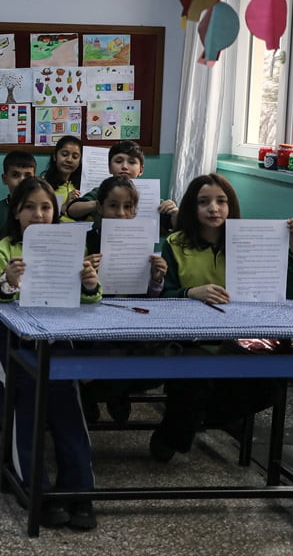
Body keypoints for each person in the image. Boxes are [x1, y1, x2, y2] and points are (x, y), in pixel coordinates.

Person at [150, 173, 293, 463]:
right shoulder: (175, 244)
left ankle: (198, 418)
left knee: (270, 387)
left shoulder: (249, 242)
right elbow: (161, 298)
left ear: (231, 206)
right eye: (204, 202)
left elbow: (283, 295)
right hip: (189, 340)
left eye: (221, 201)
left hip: (239, 339)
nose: (214, 208)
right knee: (194, 382)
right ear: (191, 208)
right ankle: (175, 432)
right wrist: (189, 292)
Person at [0, 175, 101, 530]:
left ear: (56, 211)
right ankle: (36, 491)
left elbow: (89, 297)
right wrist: (7, 283)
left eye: (46, 207)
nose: (38, 214)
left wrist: (91, 285)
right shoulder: (4, 249)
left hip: (58, 338)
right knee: (24, 412)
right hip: (11, 340)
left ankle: (79, 493)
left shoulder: (69, 246)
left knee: (69, 413)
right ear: (16, 212)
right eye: (29, 207)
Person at [79, 175, 167, 424]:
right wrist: (85, 275)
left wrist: (156, 278)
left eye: (128, 207)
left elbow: (150, 298)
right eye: (113, 206)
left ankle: (110, 391)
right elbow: (70, 293)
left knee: (151, 356)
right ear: (99, 207)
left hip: (132, 320)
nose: (120, 213)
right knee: (104, 351)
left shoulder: (142, 241)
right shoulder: (86, 242)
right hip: (92, 322)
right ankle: (96, 394)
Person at [64, 140, 178, 232]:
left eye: (132, 162)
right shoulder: (101, 191)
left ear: (141, 170)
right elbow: (72, 210)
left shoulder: (151, 196)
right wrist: (100, 203)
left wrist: (174, 212)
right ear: (109, 167)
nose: (124, 166)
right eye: (118, 161)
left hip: (137, 250)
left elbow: (175, 224)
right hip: (101, 248)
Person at [0, 151, 37, 254]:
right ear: (5, 179)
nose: (22, 180)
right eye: (15, 175)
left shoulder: (40, 211)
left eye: (27, 176)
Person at [41, 135, 82, 222]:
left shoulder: (82, 185)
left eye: (75, 157)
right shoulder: (42, 185)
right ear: (55, 156)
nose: (69, 160)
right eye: (64, 154)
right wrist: (64, 206)